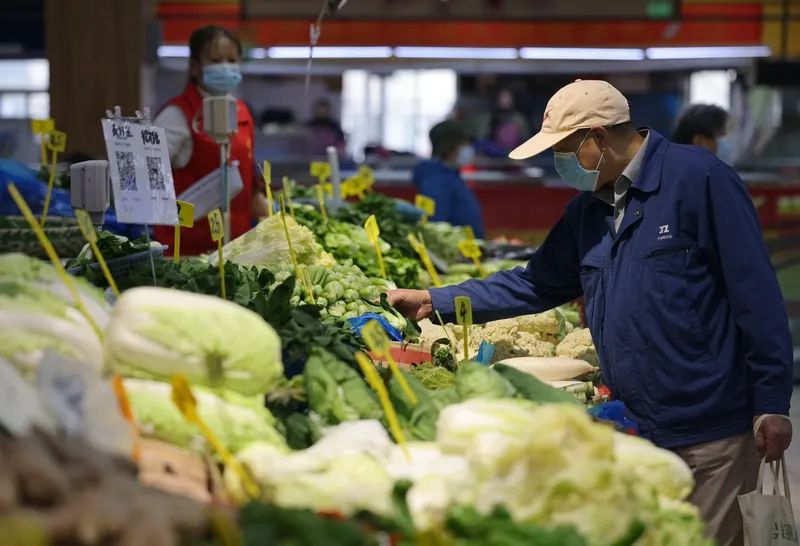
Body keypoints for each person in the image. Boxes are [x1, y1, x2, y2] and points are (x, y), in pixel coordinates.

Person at [390, 80, 793, 546]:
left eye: (563, 149)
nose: (559, 162)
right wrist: (434, 300)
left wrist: (771, 401)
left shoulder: (700, 180)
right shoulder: (588, 210)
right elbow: (534, 282)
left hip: (711, 430)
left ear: (597, 137)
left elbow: (755, 294)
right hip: (635, 428)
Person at [153, 25, 265, 255]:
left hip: (238, 247)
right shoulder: (177, 115)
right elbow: (149, 177)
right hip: (188, 251)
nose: (225, 67)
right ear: (195, 67)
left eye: (231, 60)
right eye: (215, 60)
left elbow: (246, 171)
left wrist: (261, 200)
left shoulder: (242, 111)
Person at [412, 120, 485, 238]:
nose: (470, 149)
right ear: (450, 147)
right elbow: (435, 228)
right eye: (464, 145)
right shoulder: (436, 182)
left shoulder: (451, 177)